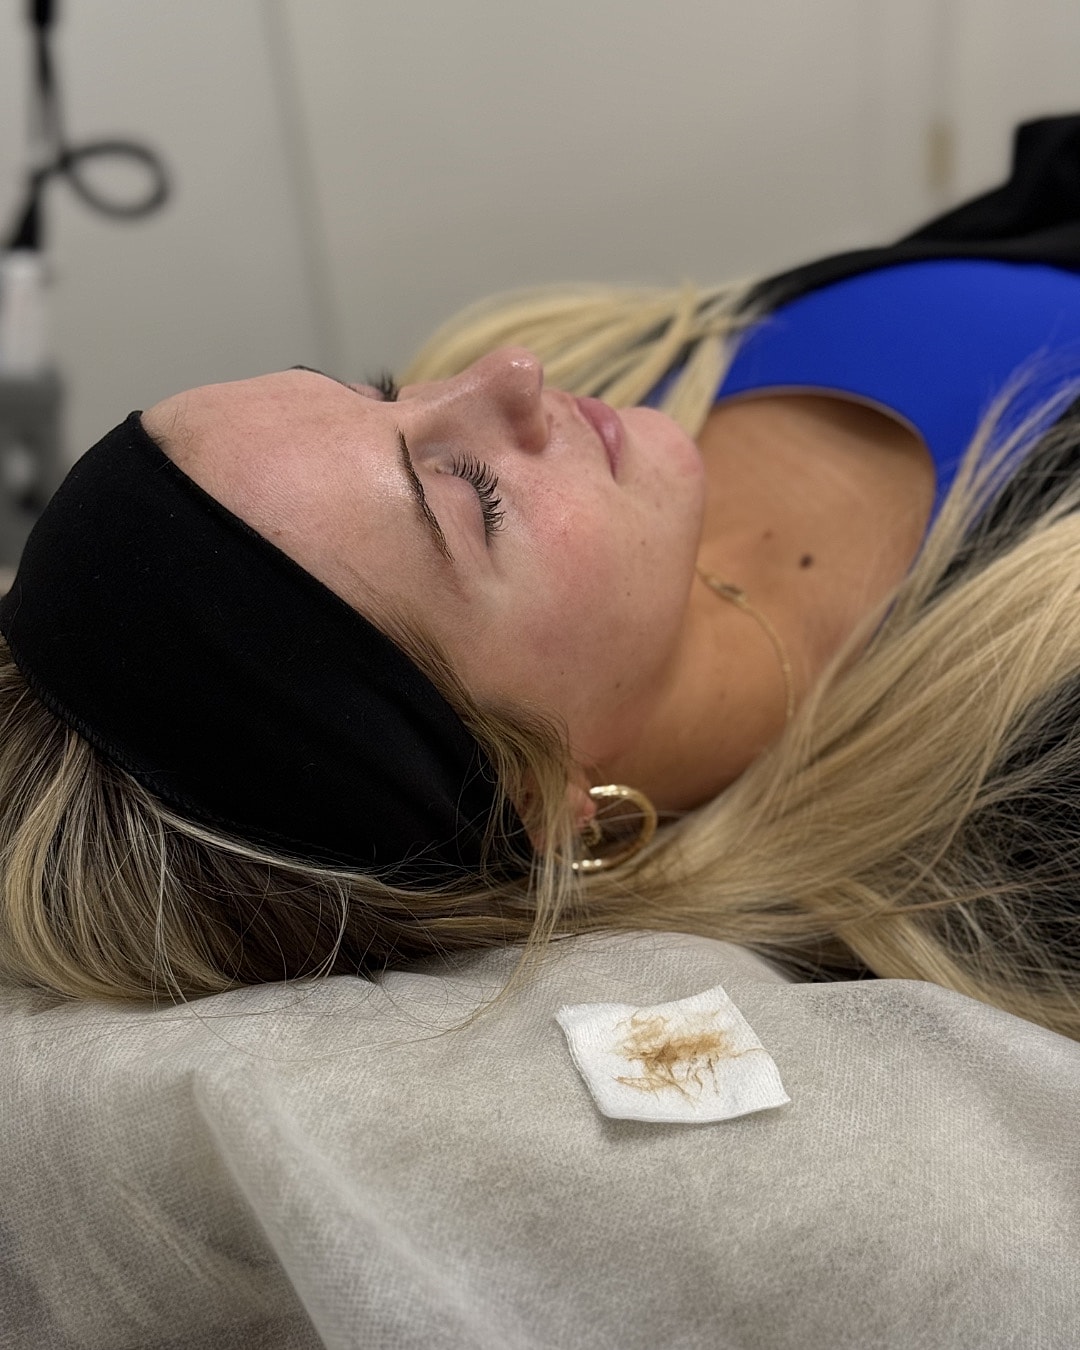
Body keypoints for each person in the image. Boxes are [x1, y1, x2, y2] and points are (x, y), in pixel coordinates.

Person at [2, 116, 1080, 1042]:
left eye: (379, 392)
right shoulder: (1028, 817)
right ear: (538, 797)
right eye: (470, 493)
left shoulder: (623, 372)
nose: (505, 372)